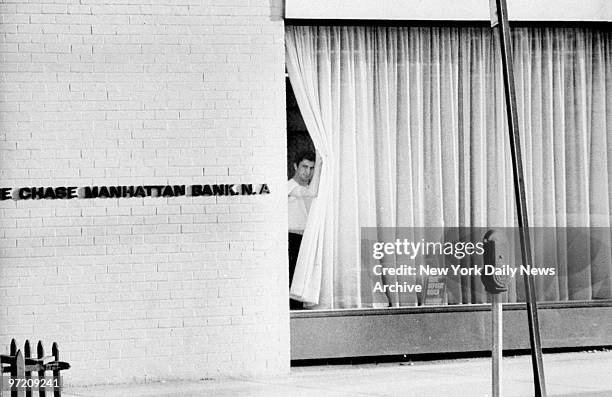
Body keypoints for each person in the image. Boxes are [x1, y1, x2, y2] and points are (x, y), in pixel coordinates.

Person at [288, 150, 320, 309]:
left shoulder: (309, 186)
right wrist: (320, 165)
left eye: (312, 168)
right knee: (294, 279)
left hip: (307, 239)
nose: (308, 172)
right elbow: (311, 193)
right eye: (304, 167)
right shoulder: (289, 186)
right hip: (292, 239)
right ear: (295, 166)